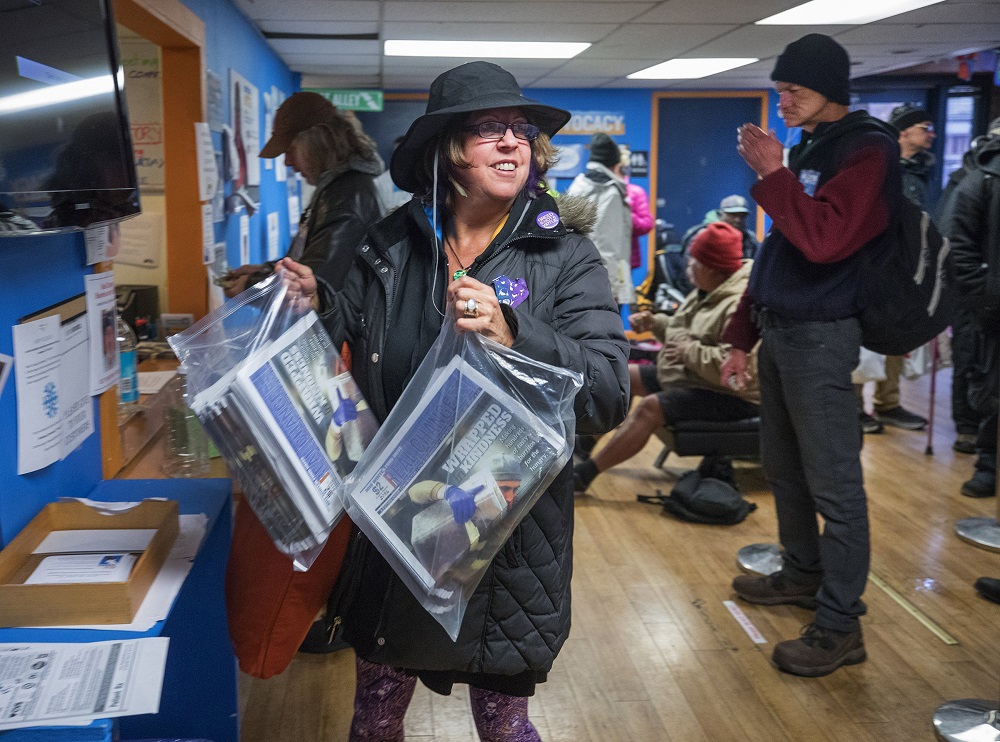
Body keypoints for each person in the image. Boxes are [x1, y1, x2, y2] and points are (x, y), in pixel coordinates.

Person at [276, 61, 629, 741]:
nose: (511, 143)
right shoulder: (391, 245)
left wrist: (516, 330)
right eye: (487, 130)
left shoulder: (565, 256)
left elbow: (610, 392)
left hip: (507, 536)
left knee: (504, 726)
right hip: (398, 525)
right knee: (374, 717)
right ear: (448, 151)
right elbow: (349, 329)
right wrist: (315, 301)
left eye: (521, 131)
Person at [720, 33, 903, 677]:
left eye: (794, 89)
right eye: (779, 88)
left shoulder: (869, 149)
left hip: (823, 335)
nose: (783, 99)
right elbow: (780, 251)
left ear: (831, 90)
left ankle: (839, 624)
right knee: (783, 466)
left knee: (835, 485)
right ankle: (801, 574)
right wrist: (742, 336)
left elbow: (825, 241)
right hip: (782, 329)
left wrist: (772, 174)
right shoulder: (813, 147)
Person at [574, 221, 759, 492]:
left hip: (733, 396)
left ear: (711, 268)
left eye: (693, 262)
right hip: (695, 376)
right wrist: (655, 323)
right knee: (622, 376)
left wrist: (687, 351)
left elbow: (734, 368)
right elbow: (683, 330)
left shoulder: (736, 304)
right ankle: (585, 443)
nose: (687, 267)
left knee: (651, 407)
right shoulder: (708, 291)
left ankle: (584, 475)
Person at [221, 92, 384, 296]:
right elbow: (312, 260)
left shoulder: (346, 198)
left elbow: (315, 283)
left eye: (290, 150)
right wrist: (263, 271)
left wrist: (251, 285)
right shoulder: (339, 189)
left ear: (317, 141)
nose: (287, 162)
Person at [853, 106, 937, 434]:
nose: (930, 133)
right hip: (874, 262)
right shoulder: (880, 168)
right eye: (924, 127)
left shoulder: (920, 171)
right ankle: (856, 405)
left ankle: (888, 402)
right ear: (903, 132)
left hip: (907, 263)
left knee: (897, 334)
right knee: (867, 336)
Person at [942, 121, 1000, 454]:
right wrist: (984, 296)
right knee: (977, 369)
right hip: (982, 303)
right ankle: (980, 448)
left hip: (983, 298)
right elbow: (955, 244)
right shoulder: (976, 181)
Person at [567, 132, 633, 306]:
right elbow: (607, 248)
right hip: (600, 285)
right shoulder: (611, 192)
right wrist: (611, 291)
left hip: (574, 280)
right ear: (614, 164)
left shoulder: (578, 185)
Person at [620, 146, 654, 271]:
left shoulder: (636, 192)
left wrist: (625, 212)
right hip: (600, 254)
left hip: (626, 258)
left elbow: (646, 225)